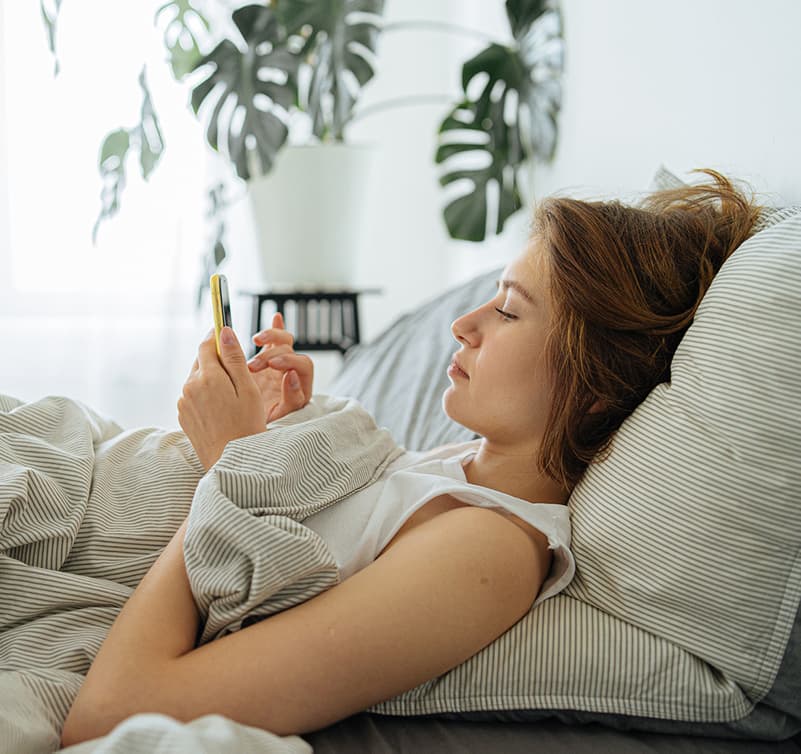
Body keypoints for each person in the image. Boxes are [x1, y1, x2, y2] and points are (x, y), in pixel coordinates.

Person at [59, 169, 761, 746]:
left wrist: (232, 461)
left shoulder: (489, 553)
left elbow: (116, 714)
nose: (462, 325)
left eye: (509, 312)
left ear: (593, 387)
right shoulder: (453, 468)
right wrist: (284, 431)